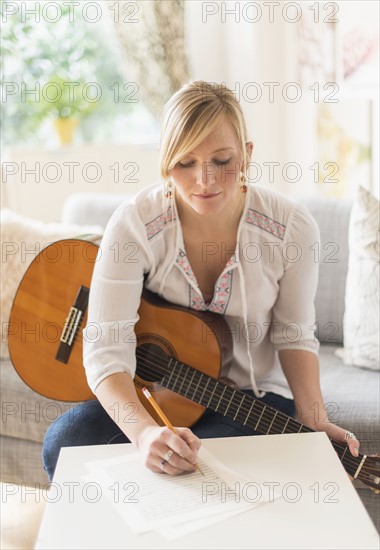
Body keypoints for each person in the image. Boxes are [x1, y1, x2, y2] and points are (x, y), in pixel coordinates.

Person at [42, 80, 360, 479]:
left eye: (222, 160)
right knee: (66, 443)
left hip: (248, 396)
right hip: (152, 395)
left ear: (246, 154)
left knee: (214, 468)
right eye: (185, 163)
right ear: (164, 161)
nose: (204, 181)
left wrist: (315, 418)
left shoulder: (291, 229)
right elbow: (106, 349)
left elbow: (294, 335)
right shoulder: (134, 224)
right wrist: (144, 435)